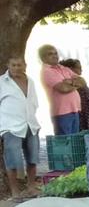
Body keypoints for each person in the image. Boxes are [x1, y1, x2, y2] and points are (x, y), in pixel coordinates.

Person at [0, 56, 41, 199]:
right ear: (8, 65)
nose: (17, 68)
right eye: (13, 65)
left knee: (33, 158)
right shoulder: (2, 83)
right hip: (10, 127)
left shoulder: (31, 81)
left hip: (31, 124)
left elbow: (34, 102)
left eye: (19, 65)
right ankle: (15, 192)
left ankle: (31, 187)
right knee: (13, 161)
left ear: (25, 65)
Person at [38, 44, 83, 135]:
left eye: (56, 53)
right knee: (65, 144)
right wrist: (75, 83)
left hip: (74, 110)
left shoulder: (63, 68)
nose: (55, 56)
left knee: (74, 143)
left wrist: (69, 82)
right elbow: (63, 88)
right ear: (43, 58)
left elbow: (82, 81)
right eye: (50, 54)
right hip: (62, 113)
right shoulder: (47, 71)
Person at [59, 59, 89, 130]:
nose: (81, 70)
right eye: (79, 68)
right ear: (70, 69)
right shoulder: (68, 82)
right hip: (81, 115)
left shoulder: (79, 80)